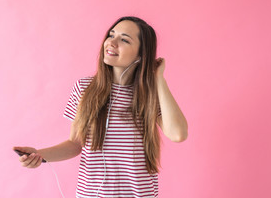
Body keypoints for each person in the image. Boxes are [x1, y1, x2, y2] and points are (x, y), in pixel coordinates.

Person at [14, 16, 188, 197]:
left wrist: (158, 78)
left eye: (124, 39)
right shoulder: (84, 89)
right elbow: (75, 143)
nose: (111, 42)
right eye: (111, 35)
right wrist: (39, 155)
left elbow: (178, 134)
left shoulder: (150, 95)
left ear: (141, 55)